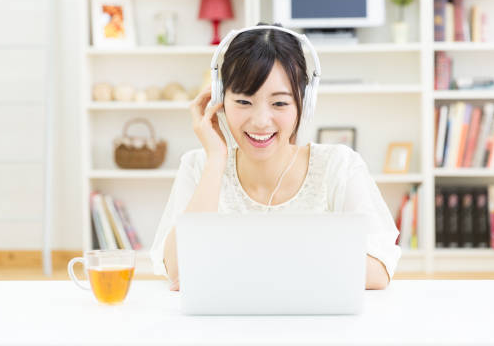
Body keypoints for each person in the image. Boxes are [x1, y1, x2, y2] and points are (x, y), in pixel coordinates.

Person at [150, 23, 401, 291]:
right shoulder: (200, 166)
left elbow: (378, 270)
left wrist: (240, 263)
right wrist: (216, 160)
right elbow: (179, 272)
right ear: (219, 101)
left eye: (279, 103)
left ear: (304, 104)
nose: (260, 121)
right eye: (244, 102)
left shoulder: (338, 166)